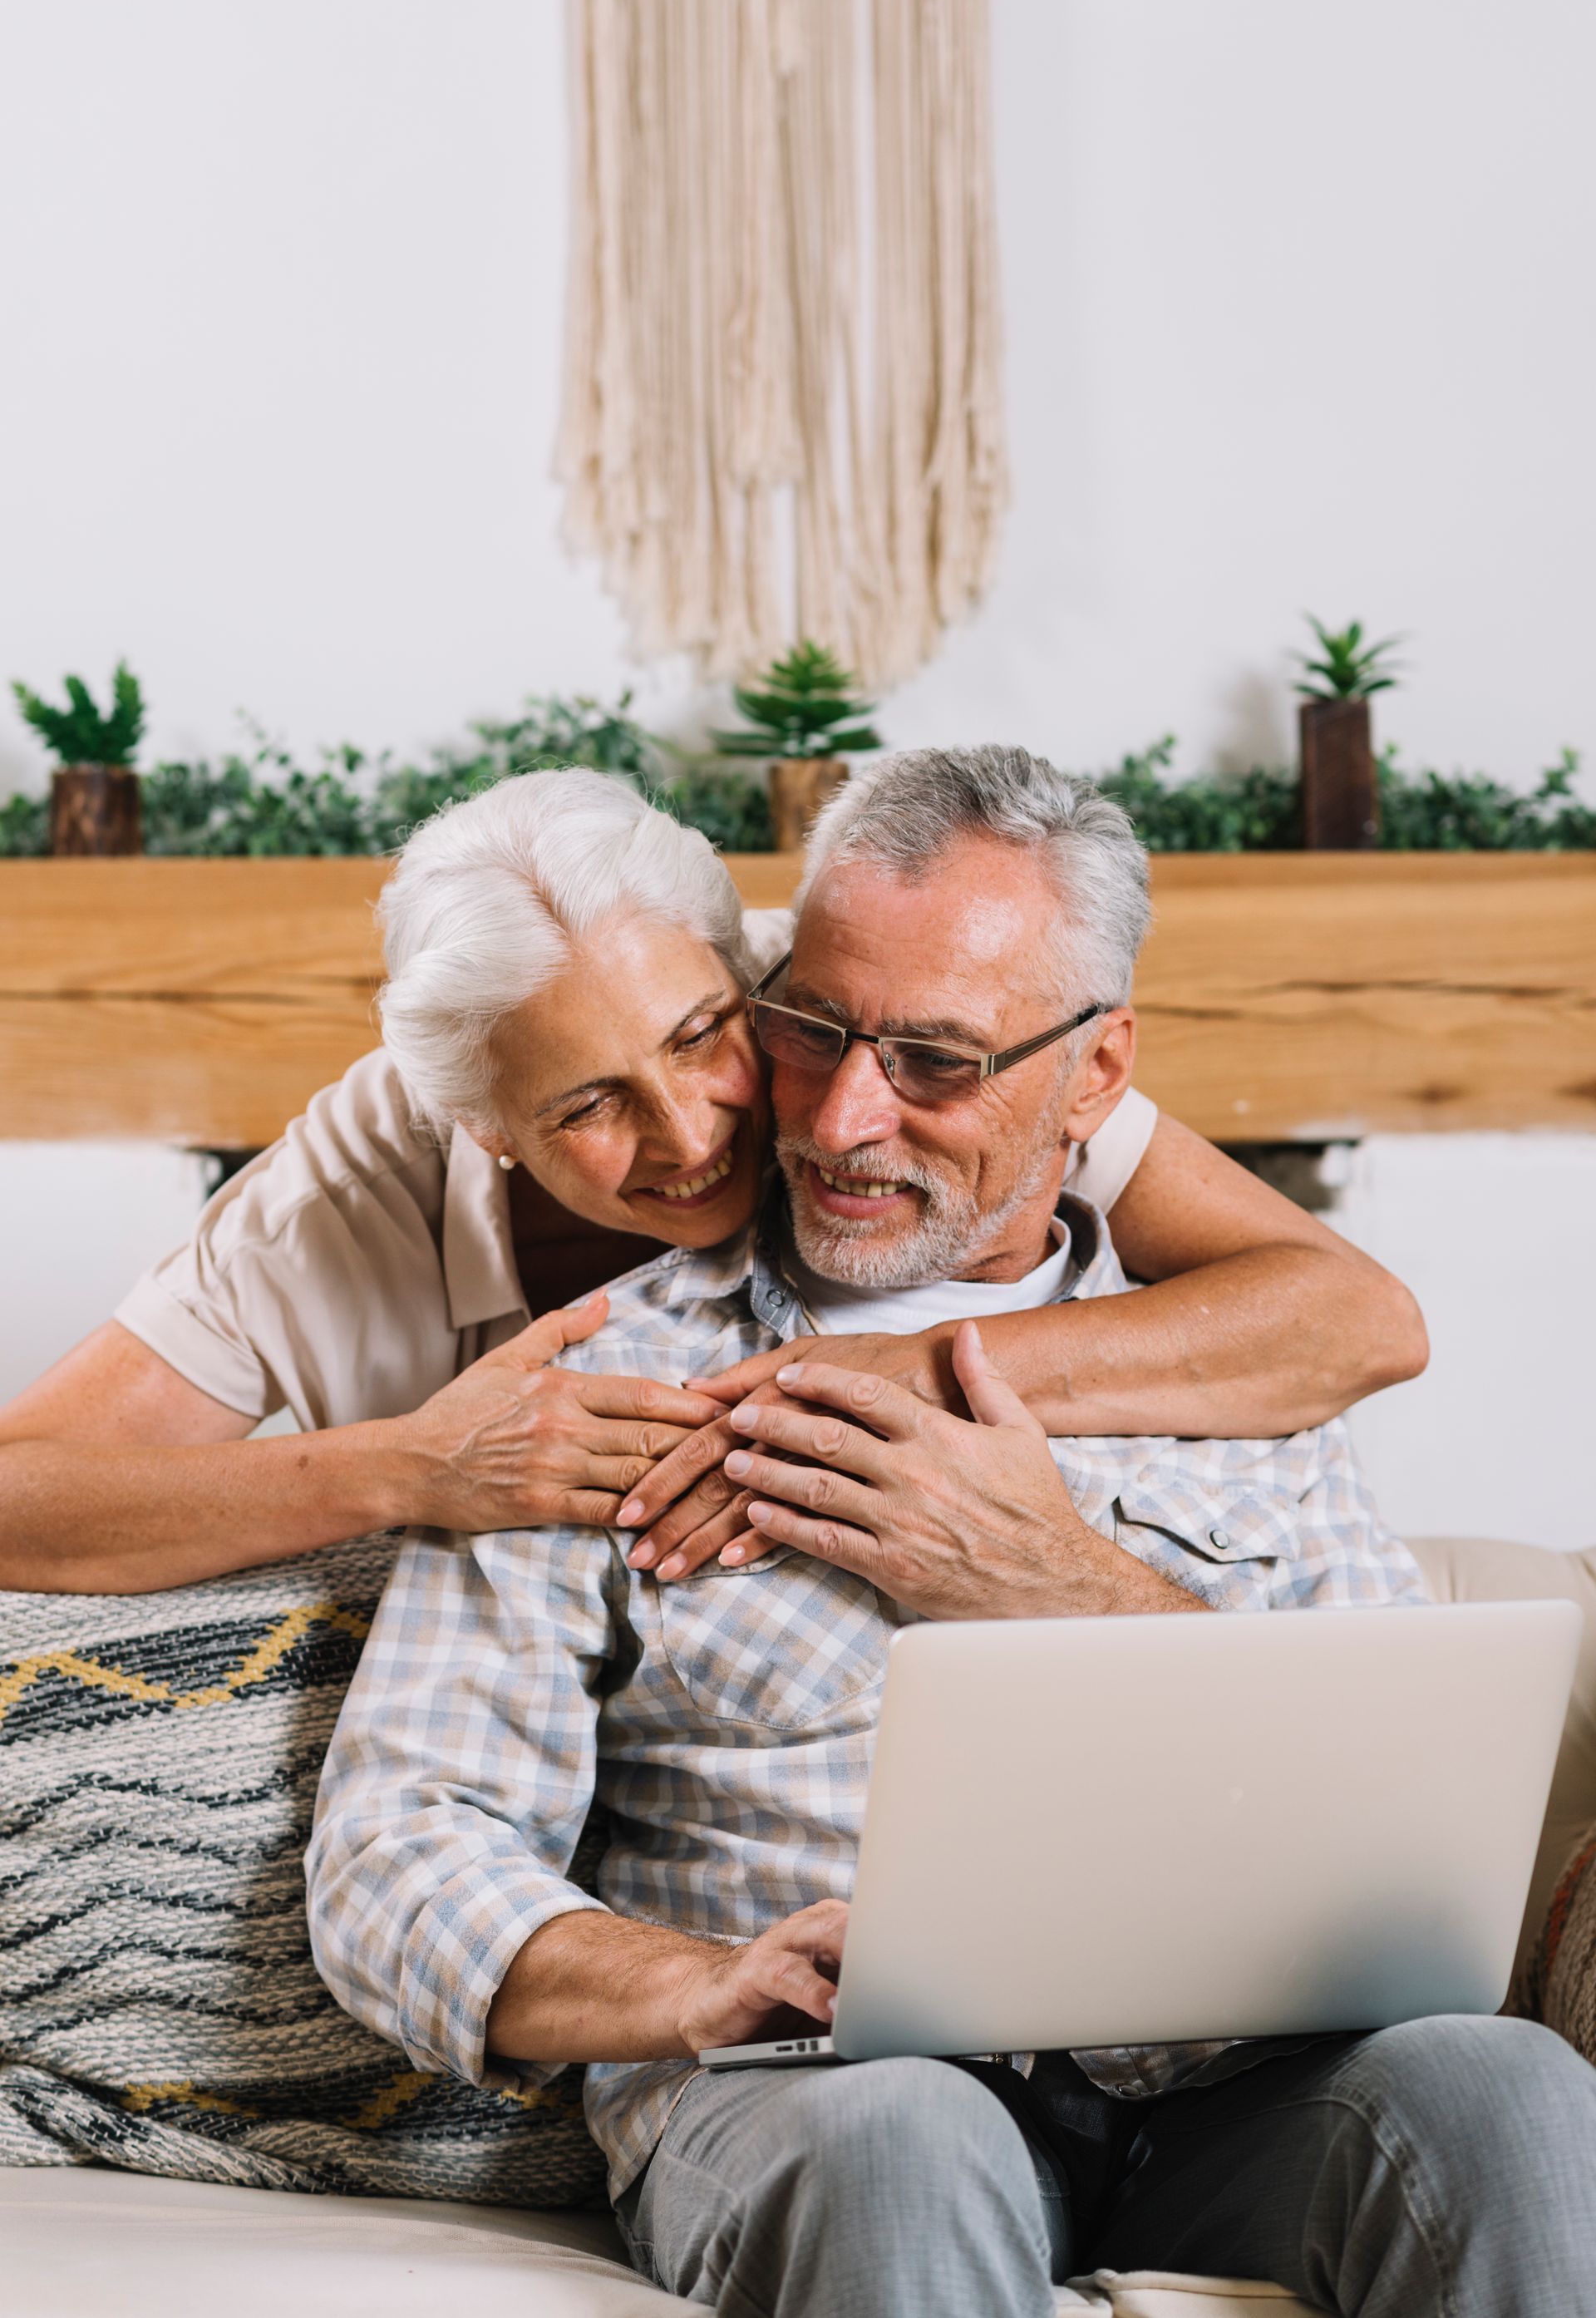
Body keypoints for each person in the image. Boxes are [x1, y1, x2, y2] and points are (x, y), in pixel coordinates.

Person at [307, 746, 1596, 2318]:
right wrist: (691, 1984)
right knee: (907, 2135)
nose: (848, 1116)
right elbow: (395, 1851)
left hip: (1244, 2094)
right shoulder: (603, 1390)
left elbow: (1414, 1836)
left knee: (1507, 2089)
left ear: (1098, 1073)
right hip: (824, 2090)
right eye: (816, 1030)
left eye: (934, 1059)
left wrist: (1056, 1586)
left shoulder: (1254, 1367)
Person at [0, 766, 1423, 1596]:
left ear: (742, 969)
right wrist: (416, 1466)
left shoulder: (862, 1042)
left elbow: (1354, 1320)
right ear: (488, 1128)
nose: (694, 1134)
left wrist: (904, 1368)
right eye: (588, 1104)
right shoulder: (352, 1181)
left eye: (702, 1037)